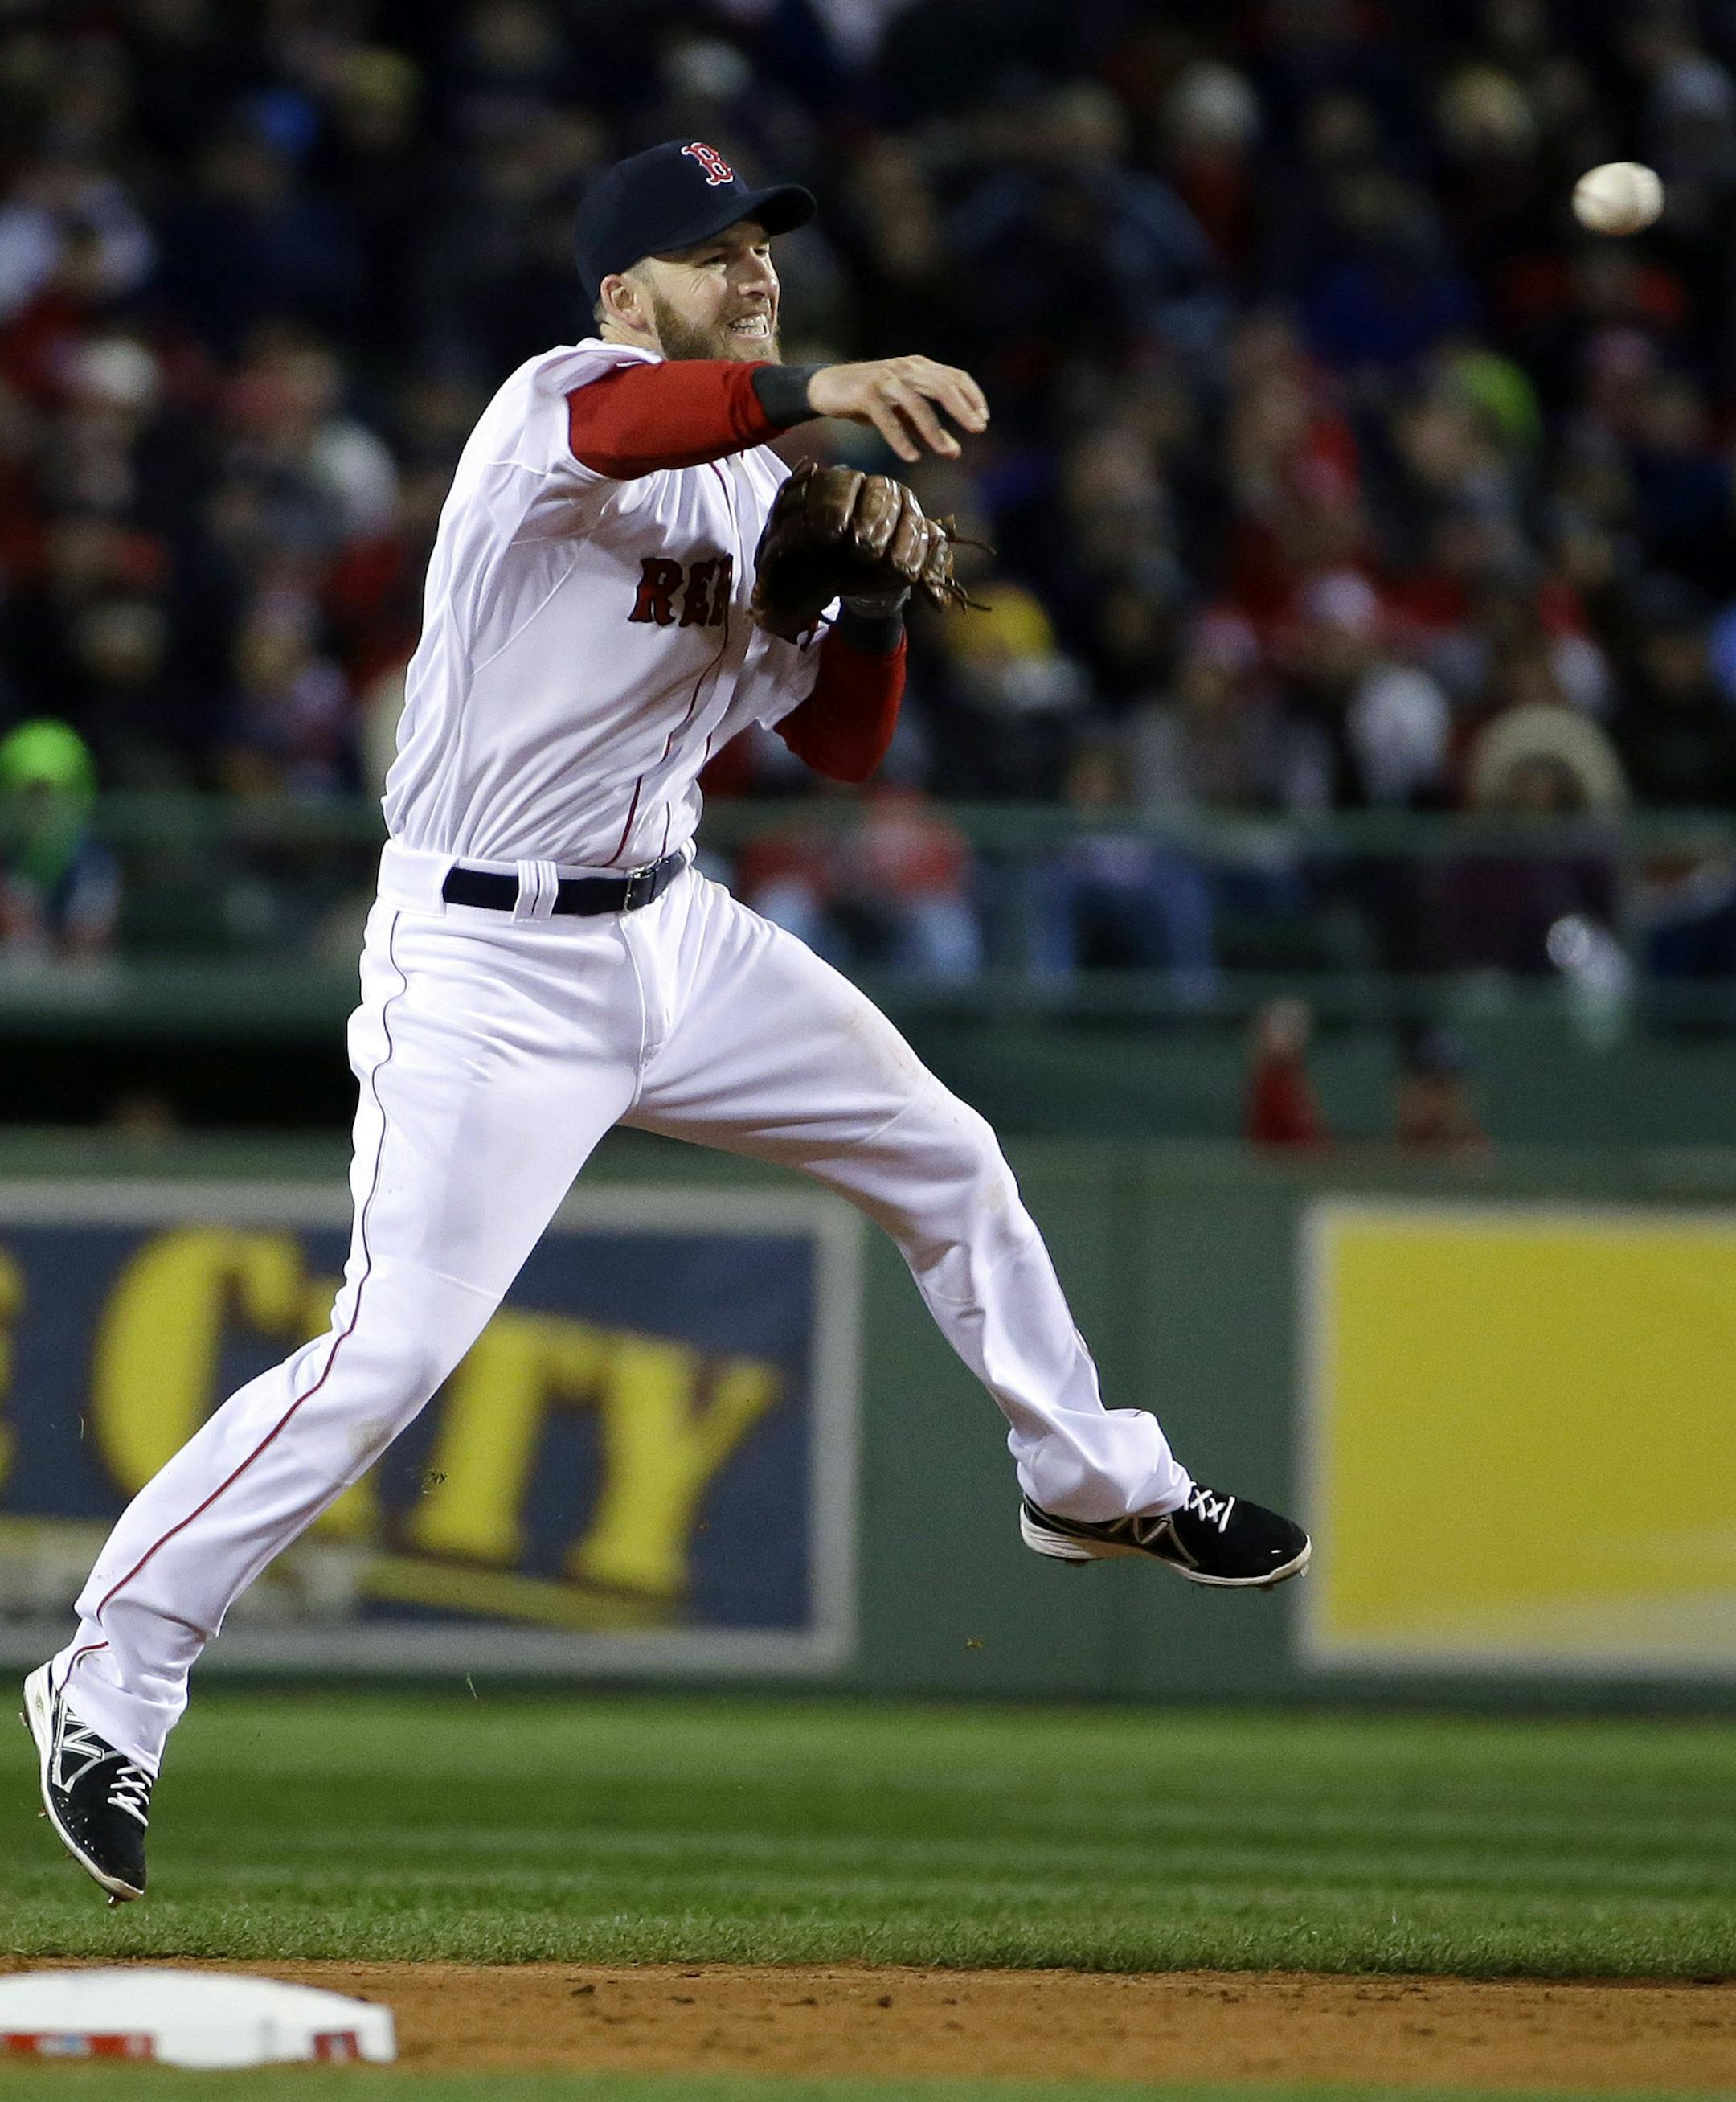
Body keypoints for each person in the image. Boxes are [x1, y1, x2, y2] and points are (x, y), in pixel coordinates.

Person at [24, 141, 1310, 1905]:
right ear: (626, 293)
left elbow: (839, 752)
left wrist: (862, 613)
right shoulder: (557, 406)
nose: (755, 270)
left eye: (765, 243)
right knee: (387, 1356)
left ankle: (1091, 1480)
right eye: (711, 253)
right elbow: (639, 432)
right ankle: (111, 1667)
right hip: (482, 966)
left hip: (677, 938)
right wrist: (825, 389)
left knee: (952, 1159)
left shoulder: (765, 482)